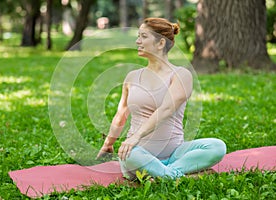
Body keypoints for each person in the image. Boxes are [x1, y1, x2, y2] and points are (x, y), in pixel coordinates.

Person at [97, 18, 226, 179]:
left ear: (160, 43)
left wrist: (137, 135)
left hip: (174, 154)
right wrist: (108, 144)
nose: (138, 41)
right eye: (138, 36)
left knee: (217, 146)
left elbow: (166, 109)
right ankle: (176, 175)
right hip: (139, 155)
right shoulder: (132, 77)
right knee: (129, 154)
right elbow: (121, 115)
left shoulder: (181, 75)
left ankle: (162, 174)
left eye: (143, 36)